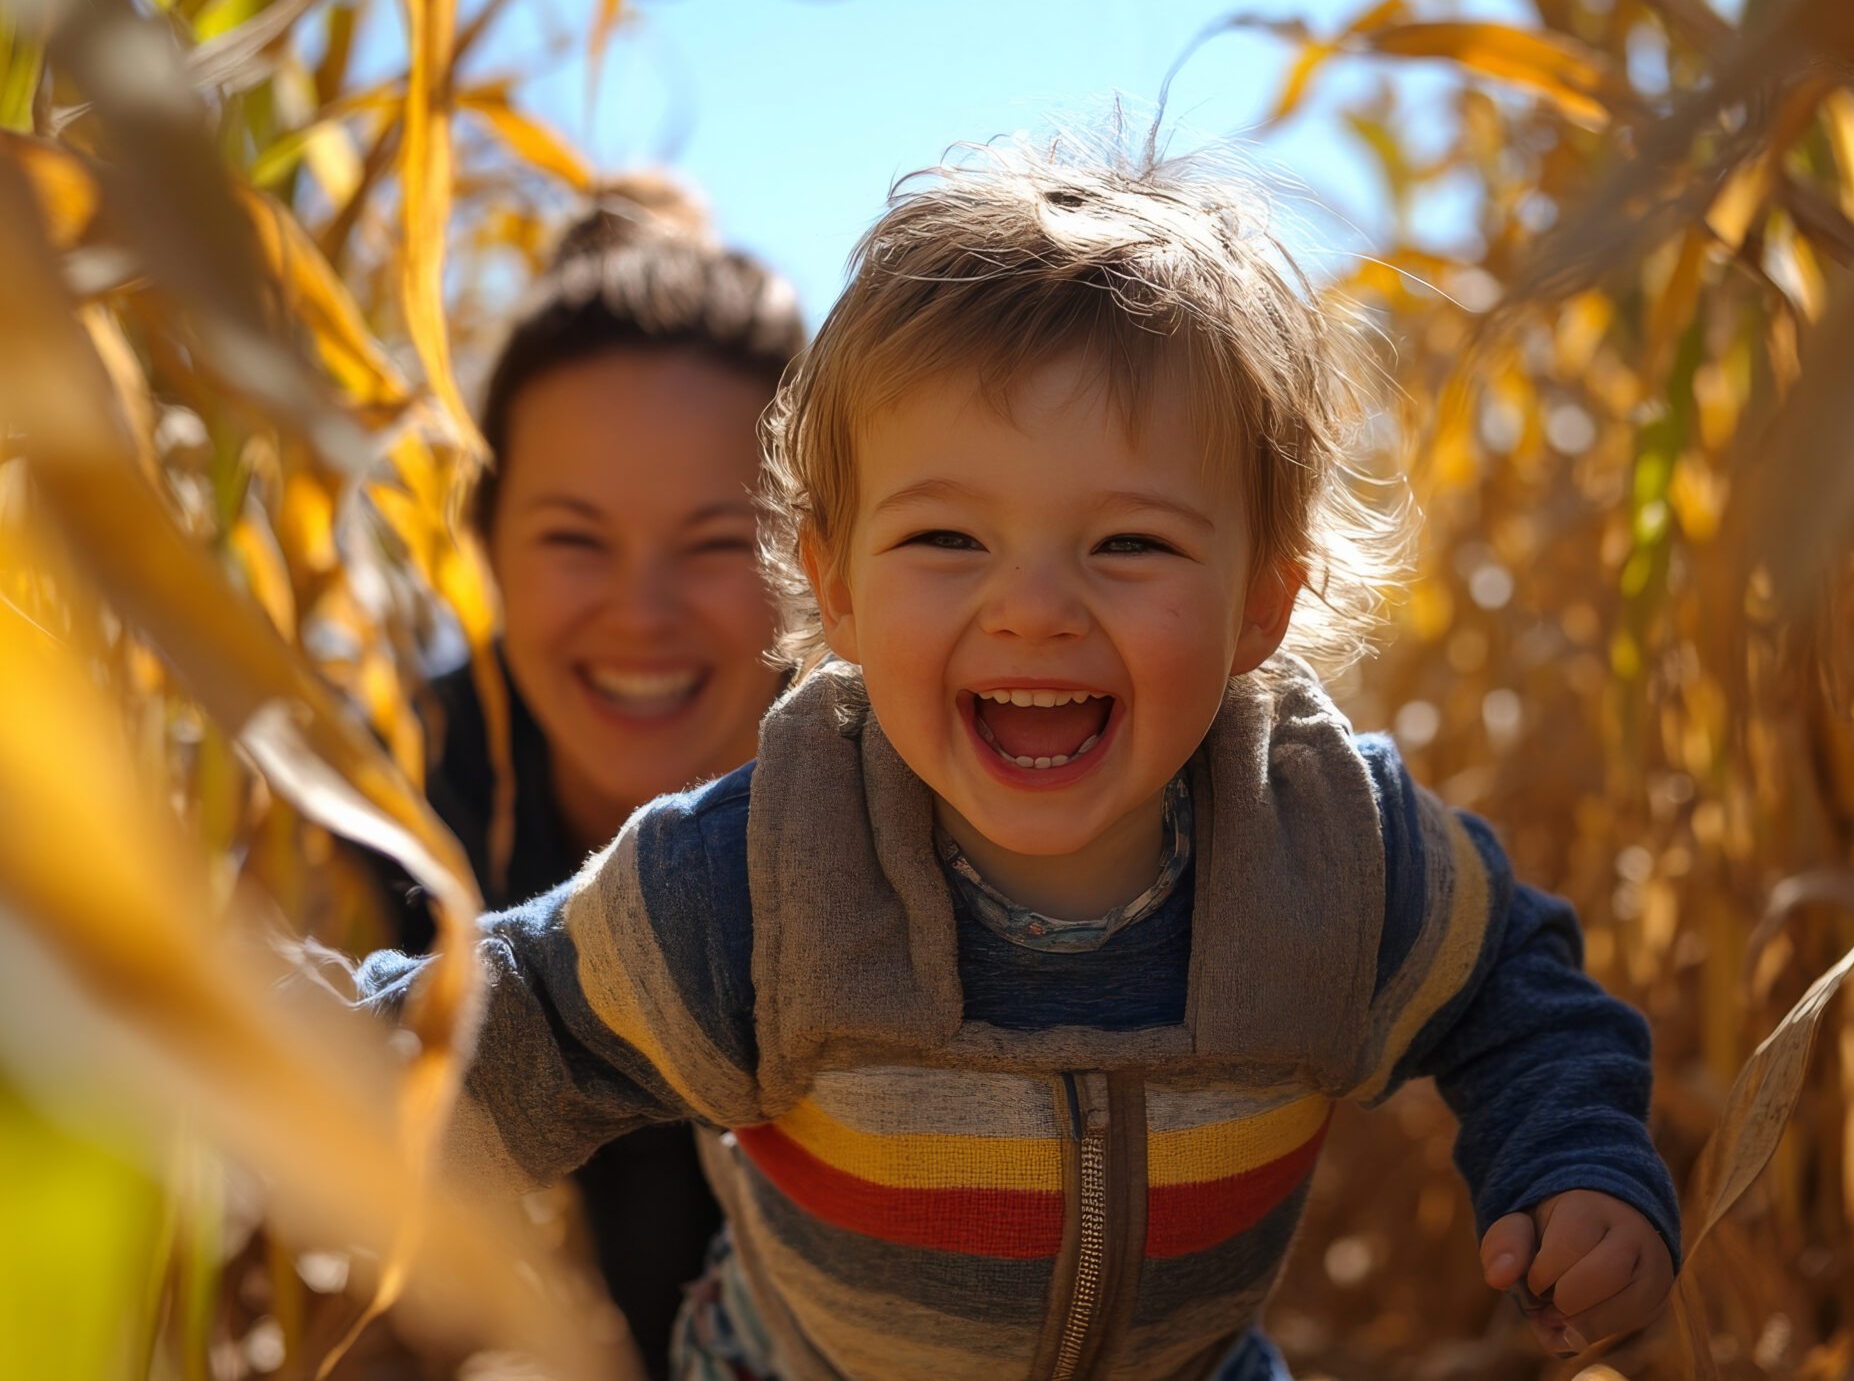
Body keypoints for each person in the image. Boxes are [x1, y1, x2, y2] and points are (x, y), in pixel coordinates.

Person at [359, 141, 1677, 1380]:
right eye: (947, 541)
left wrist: (1575, 1160)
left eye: (1128, 545)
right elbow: (516, 1019)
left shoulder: (1328, 847)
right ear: (838, 588)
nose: (1034, 607)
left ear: (1263, 600)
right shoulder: (766, 876)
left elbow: (1508, 980)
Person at [389, 175, 803, 1376]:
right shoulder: (404, 801)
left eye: (717, 542)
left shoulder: (923, 806)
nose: (642, 615)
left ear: (810, 548)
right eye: (575, 539)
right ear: (487, 541)